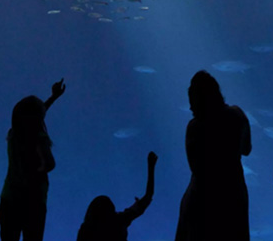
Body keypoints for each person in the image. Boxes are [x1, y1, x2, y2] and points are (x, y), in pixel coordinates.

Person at [175, 71, 252, 241]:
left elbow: (195, 167)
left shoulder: (195, 126)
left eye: (191, 101)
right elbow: (247, 149)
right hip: (234, 193)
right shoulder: (237, 114)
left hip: (202, 199)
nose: (190, 107)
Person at [0, 78, 66, 241]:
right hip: (33, 200)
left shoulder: (13, 133)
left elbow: (36, 114)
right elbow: (50, 164)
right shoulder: (38, 137)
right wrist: (37, 171)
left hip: (9, 198)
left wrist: (53, 97)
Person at [77, 151, 158, 241]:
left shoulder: (85, 229)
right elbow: (148, 195)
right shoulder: (118, 220)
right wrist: (151, 167)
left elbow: (147, 197)